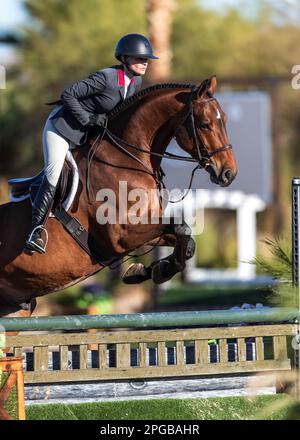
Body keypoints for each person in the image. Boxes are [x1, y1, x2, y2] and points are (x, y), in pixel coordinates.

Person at [24, 33, 159, 255]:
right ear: (124, 58)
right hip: (62, 128)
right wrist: (88, 119)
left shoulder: (135, 82)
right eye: (139, 58)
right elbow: (68, 94)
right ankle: (35, 231)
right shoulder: (106, 77)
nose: (145, 63)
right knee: (54, 172)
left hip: (85, 134)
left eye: (146, 59)